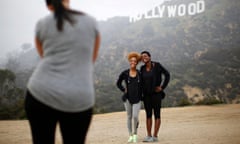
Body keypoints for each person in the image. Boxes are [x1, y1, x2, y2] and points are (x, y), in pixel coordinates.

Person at [25, 0, 100, 144]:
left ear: (48, 5)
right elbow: (91, 60)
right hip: (79, 97)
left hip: (40, 93)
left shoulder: (42, 23)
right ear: (68, 0)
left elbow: (43, 56)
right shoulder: (91, 22)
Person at [140, 51, 170, 142]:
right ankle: (149, 136)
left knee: (157, 114)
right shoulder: (142, 68)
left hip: (156, 94)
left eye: (145, 56)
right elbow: (140, 82)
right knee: (148, 115)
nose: (144, 58)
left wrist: (162, 87)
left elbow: (167, 75)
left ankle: (155, 136)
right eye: (142, 57)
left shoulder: (157, 65)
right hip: (146, 95)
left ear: (149, 57)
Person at [116, 52, 142, 143]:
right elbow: (118, 83)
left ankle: (135, 134)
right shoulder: (125, 73)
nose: (133, 62)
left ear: (137, 63)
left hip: (137, 99)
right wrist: (123, 89)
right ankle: (131, 135)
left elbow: (144, 85)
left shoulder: (139, 73)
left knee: (135, 116)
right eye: (131, 61)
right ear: (129, 62)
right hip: (127, 99)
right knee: (129, 116)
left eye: (135, 61)